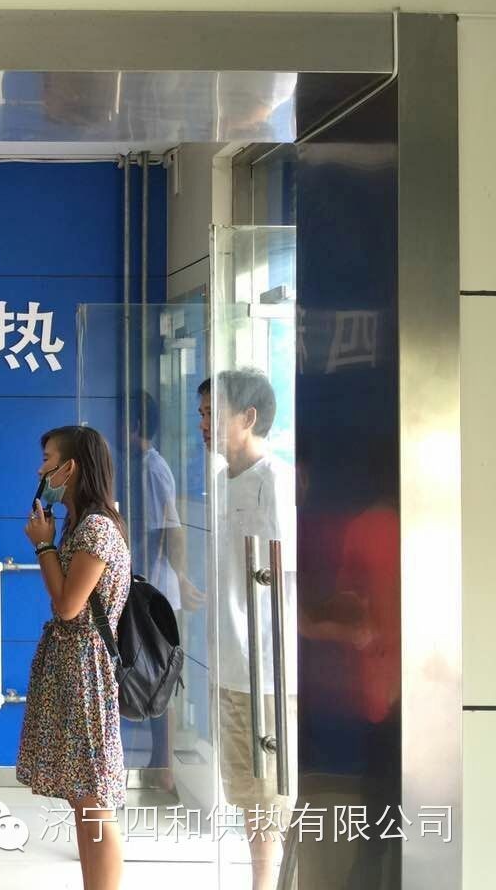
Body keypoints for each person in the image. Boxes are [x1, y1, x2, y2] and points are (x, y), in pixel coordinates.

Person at [17, 425, 129, 890]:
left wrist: (43, 545)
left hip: (86, 671)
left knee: (93, 798)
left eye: (48, 459)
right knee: (83, 797)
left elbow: (68, 604)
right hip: (71, 668)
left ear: (71, 468)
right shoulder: (81, 525)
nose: (41, 470)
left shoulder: (97, 528)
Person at [205, 370, 297, 890]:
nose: (203, 424)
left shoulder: (277, 482)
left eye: (212, 413)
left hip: (266, 668)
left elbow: (290, 578)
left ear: (248, 416)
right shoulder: (223, 482)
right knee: (246, 791)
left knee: (268, 795)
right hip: (230, 661)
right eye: (201, 414)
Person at [131, 392, 203, 791]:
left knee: (159, 677)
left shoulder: (152, 469)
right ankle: (158, 764)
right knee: (151, 674)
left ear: (135, 426)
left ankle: (164, 767)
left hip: (157, 589)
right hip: (152, 585)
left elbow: (169, 529)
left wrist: (181, 577)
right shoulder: (142, 466)